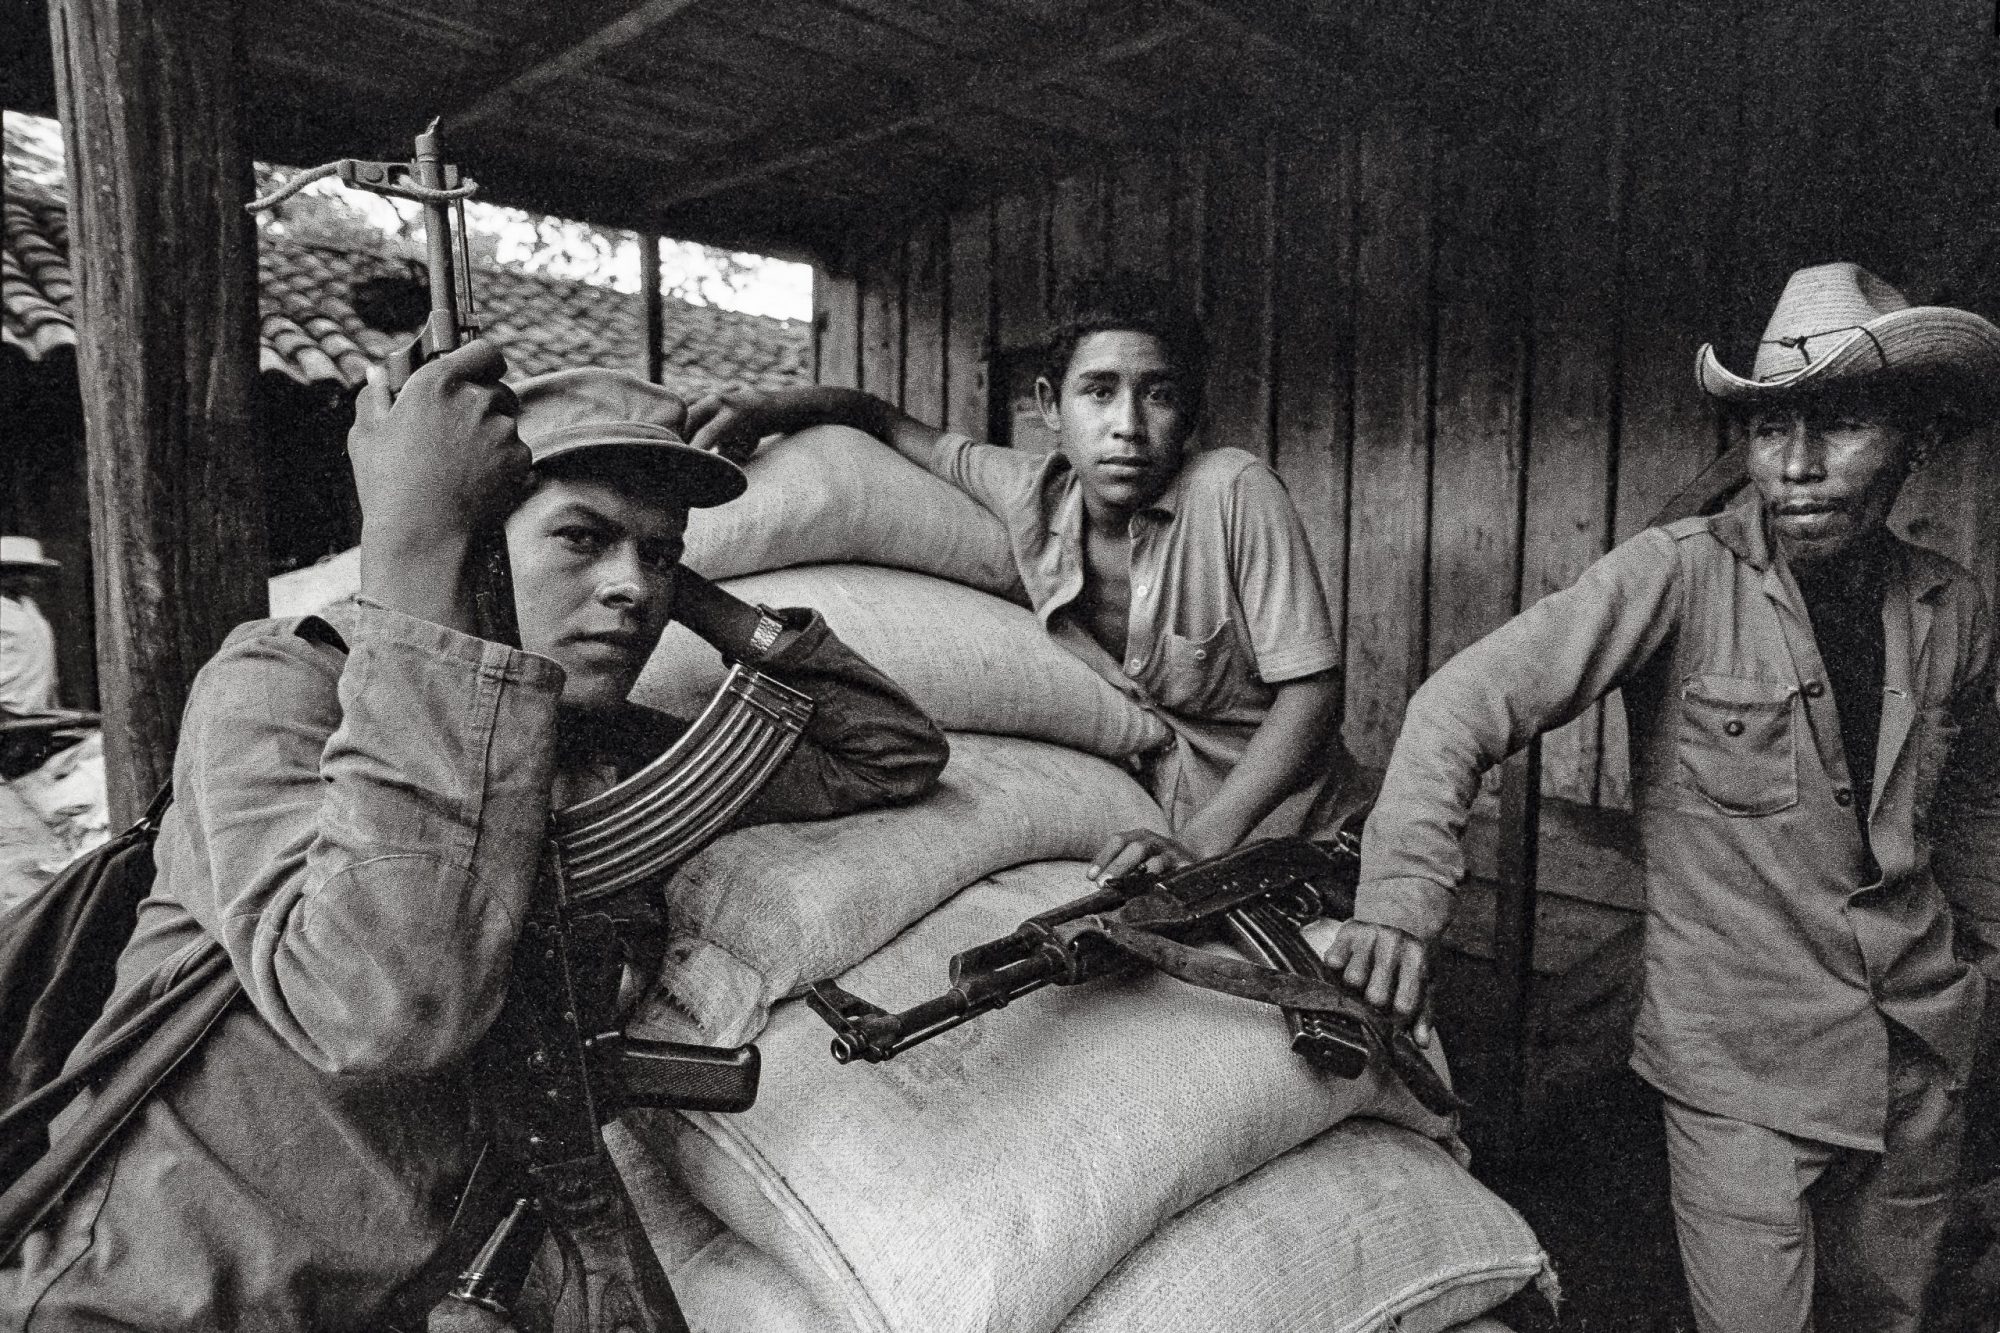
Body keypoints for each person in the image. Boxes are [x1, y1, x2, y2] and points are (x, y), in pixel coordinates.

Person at [0, 346, 948, 1331]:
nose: (631, 587)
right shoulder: (284, 689)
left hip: (430, 1286)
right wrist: (421, 558)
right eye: (579, 537)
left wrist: (681, 588)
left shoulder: (604, 748)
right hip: (160, 1293)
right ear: (475, 540)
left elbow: (885, 752)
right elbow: (379, 1009)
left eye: (657, 552)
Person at [1331, 261, 2000, 1332]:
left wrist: (1984, 976)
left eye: (1838, 425)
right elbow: (1461, 703)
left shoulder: (1948, 607)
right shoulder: (1674, 576)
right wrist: (1397, 902)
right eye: (1772, 426)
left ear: (1914, 439)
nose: (1796, 465)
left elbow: (1972, 811)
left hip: (1915, 1066)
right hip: (1741, 1080)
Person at [687, 272, 1354, 882]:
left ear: (1191, 414)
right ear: (1051, 405)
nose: (1127, 426)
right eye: (1099, 391)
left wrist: (1204, 841)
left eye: (1159, 394)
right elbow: (881, 419)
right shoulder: (1027, 492)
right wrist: (771, 409)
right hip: (1169, 828)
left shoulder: (1235, 492)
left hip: (1313, 830)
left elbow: (1313, 692)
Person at [0, 537, 62, 716]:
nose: (31, 579)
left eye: (34, 572)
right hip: (6, 712)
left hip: (35, 712)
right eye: (21, 572)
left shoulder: (29, 606)